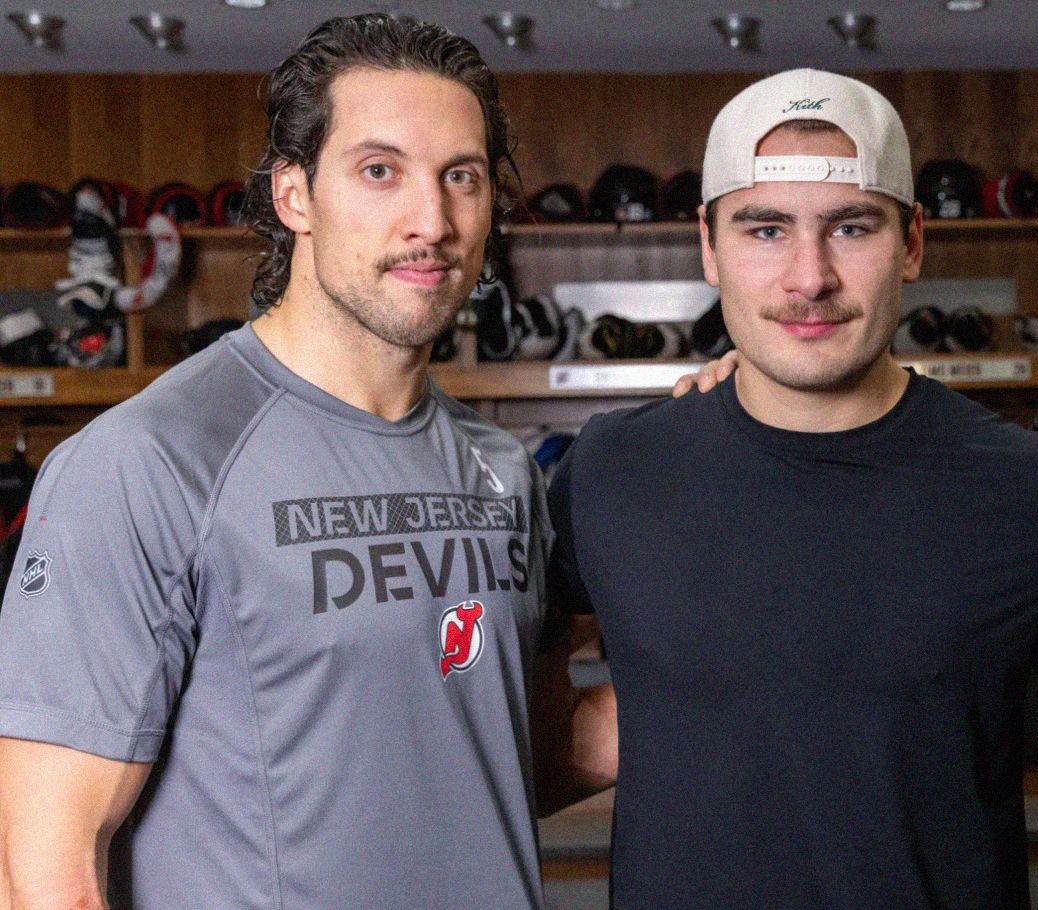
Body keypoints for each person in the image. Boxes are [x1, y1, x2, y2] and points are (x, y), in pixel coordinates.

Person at [0, 15, 610, 910]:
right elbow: (43, 867)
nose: (431, 221)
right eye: (379, 171)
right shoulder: (146, 464)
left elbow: (511, 763)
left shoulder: (502, 473)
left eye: (462, 178)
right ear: (294, 194)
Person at [549, 68, 1038, 910]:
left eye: (850, 227)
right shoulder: (612, 470)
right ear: (708, 246)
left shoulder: (1033, 486)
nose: (809, 278)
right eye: (764, 228)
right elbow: (506, 730)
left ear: (914, 242)